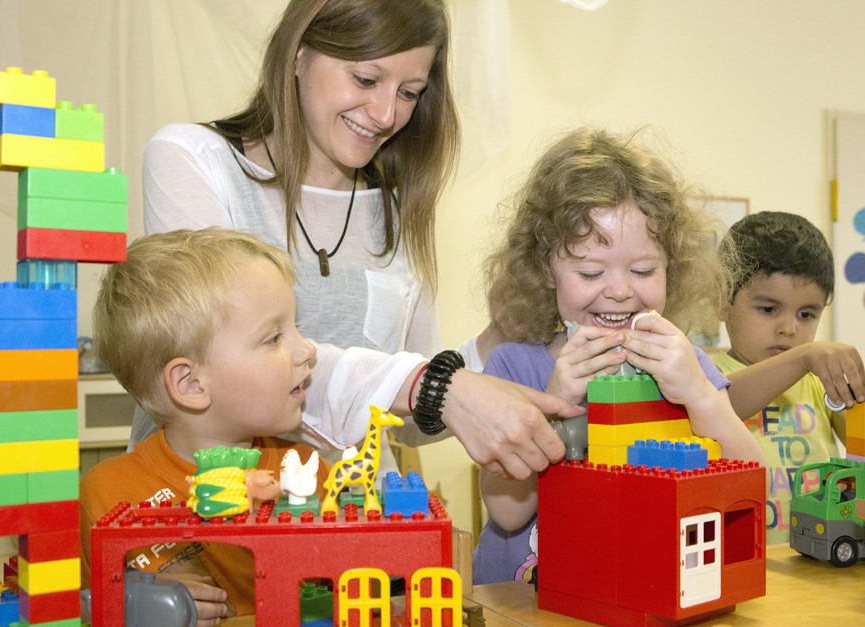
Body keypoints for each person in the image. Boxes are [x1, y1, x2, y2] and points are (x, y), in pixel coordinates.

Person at [132, 0, 578, 481]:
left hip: (353, 515)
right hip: (205, 511)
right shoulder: (193, 161)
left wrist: (501, 336)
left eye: (409, 92)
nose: (386, 114)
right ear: (298, 55)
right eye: (365, 79)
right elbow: (220, 360)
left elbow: (412, 422)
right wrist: (432, 387)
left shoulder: (395, 204)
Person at [471, 128, 766, 584]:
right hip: (522, 604)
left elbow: (754, 484)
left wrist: (700, 397)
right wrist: (556, 401)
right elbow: (508, 513)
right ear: (547, 269)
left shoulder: (685, 366)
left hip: (633, 587)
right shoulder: (514, 367)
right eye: (591, 271)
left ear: (672, 267)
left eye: (644, 269)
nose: (620, 290)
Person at [80, 229, 329, 627]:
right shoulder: (106, 495)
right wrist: (134, 599)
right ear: (192, 385)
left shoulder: (306, 471)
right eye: (275, 338)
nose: (308, 350)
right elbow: (78, 621)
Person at [711, 211, 864, 544]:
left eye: (806, 314)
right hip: (740, 558)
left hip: (816, 555)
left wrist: (855, 390)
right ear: (721, 301)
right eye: (769, 309)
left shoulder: (816, 381)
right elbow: (720, 406)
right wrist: (804, 356)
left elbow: (860, 442)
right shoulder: (704, 378)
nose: (789, 328)